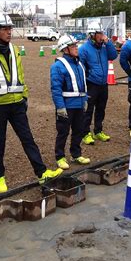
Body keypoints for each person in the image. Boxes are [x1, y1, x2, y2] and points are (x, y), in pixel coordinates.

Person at [0, 12, 62, 193]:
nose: (9, 32)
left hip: (16, 105)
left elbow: (21, 77)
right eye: (5, 29)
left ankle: (42, 172)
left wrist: (24, 97)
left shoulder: (15, 51)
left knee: (28, 139)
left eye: (10, 29)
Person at [51, 34, 91, 169]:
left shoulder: (79, 64)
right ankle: (60, 157)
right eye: (73, 46)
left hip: (79, 104)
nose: (76, 48)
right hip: (67, 106)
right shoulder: (58, 66)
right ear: (65, 49)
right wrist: (60, 107)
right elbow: (56, 89)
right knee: (63, 132)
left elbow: (83, 84)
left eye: (76, 45)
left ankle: (76, 154)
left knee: (78, 130)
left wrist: (85, 99)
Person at [79, 22, 117, 145]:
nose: (102, 36)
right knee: (88, 110)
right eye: (99, 33)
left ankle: (98, 131)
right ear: (92, 35)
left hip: (103, 83)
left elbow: (113, 55)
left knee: (101, 108)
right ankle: (85, 133)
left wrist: (108, 42)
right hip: (91, 84)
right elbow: (80, 66)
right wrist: (87, 78)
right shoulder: (84, 49)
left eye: (102, 33)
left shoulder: (104, 47)